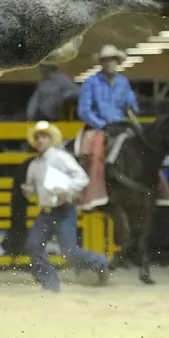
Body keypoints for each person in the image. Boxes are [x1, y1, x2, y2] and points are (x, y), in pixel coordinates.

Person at [76, 44, 169, 211]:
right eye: (106, 61)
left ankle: (161, 192)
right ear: (101, 63)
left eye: (112, 60)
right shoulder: (90, 83)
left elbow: (132, 105)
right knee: (95, 154)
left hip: (122, 125)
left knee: (145, 149)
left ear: (117, 62)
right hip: (99, 127)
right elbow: (84, 111)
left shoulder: (123, 82)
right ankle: (93, 195)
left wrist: (131, 105)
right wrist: (102, 124)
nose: (109, 64)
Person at [20, 121, 110, 291]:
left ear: (50, 139)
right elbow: (33, 188)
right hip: (47, 211)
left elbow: (82, 178)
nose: (40, 140)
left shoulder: (60, 157)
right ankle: (49, 282)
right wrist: (29, 191)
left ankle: (100, 262)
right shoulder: (34, 165)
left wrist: (66, 189)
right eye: (38, 137)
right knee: (34, 245)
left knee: (69, 251)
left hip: (63, 209)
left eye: (44, 137)